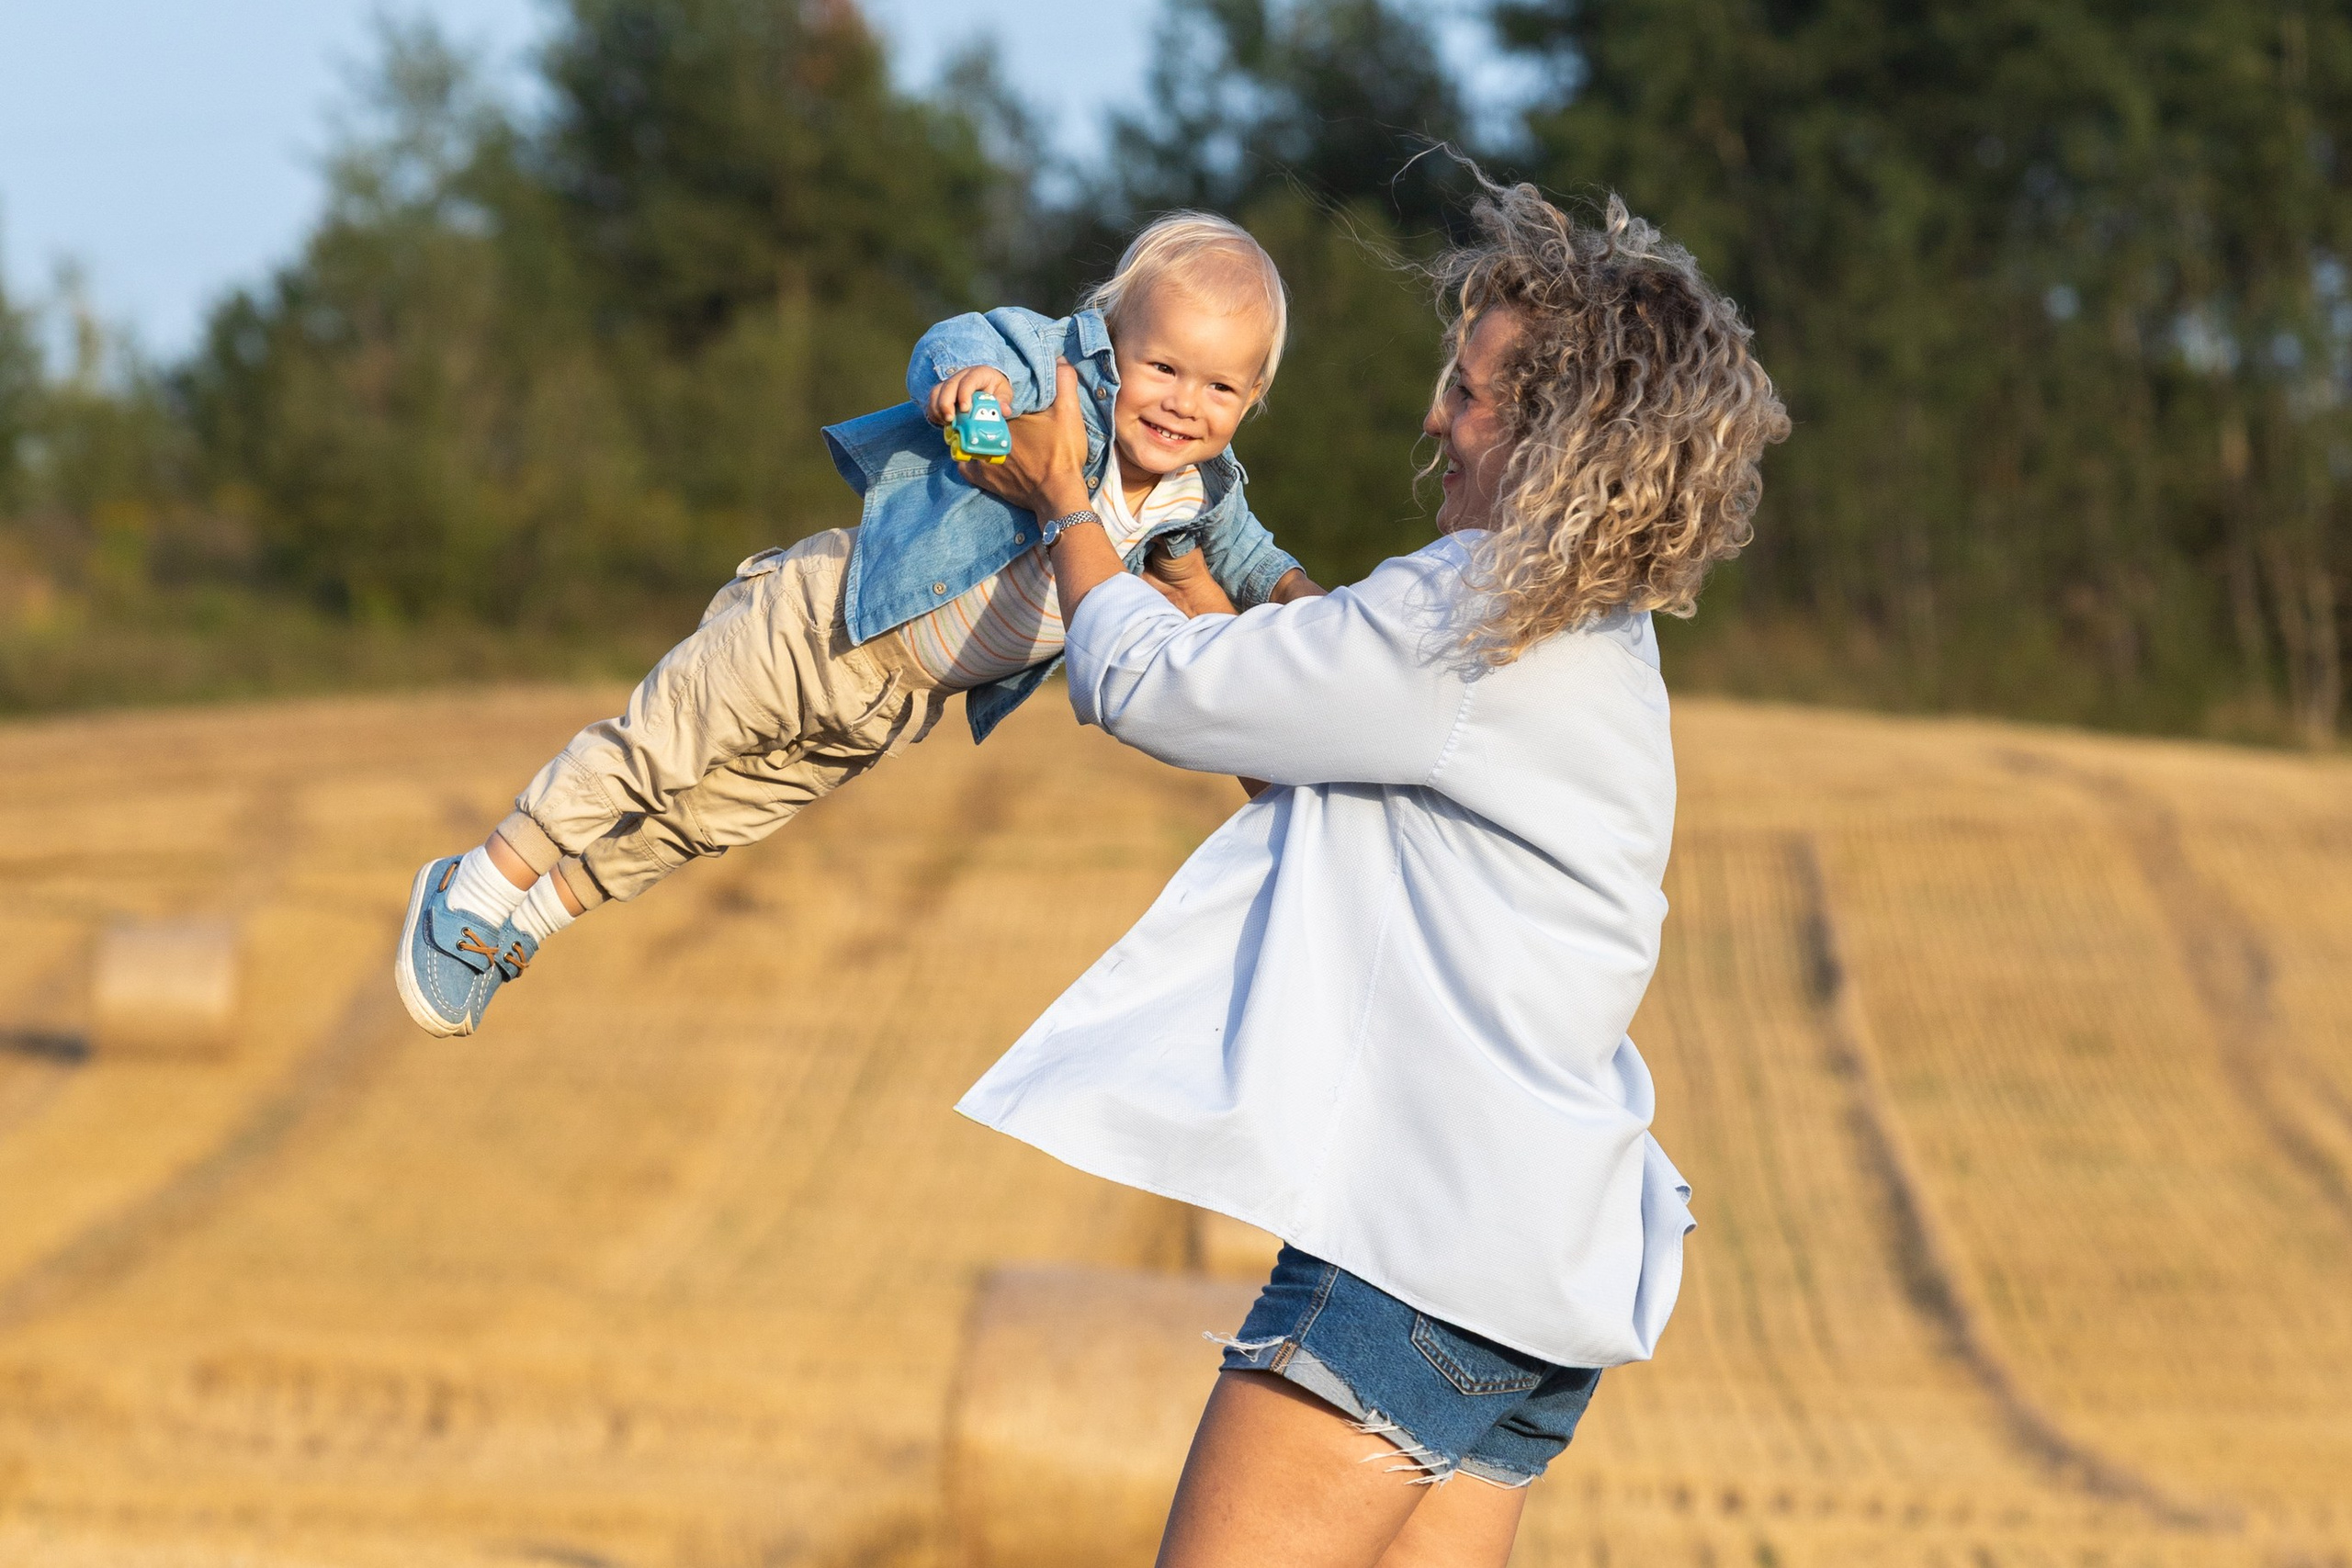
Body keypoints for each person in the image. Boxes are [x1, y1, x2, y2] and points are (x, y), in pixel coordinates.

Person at [952, 177, 1789, 1568]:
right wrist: (1213, 594)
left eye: (1467, 392)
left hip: (1420, 1261)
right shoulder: (1602, 640)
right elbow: (1328, 777)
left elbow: (1142, 687)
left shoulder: (1476, 608)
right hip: (1533, 1284)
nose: (1437, 420)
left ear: (1549, 434)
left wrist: (1063, 502)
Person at [393, 212, 1323, 1037]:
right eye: (1162, 368)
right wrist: (968, 384)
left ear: (1252, 400)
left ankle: (531, 919)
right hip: (825, 615)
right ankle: (475, 886)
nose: (1182, 403)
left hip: (896, 703)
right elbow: (957, 339)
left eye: (1219, 389)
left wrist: (1313, 605)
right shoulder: (1056, 378)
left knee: (710, 817)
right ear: (1113, 345)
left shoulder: (1200, 494)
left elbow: (1254, 562)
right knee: (658, 749)